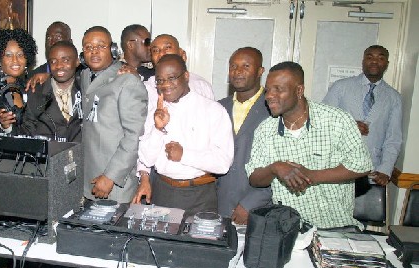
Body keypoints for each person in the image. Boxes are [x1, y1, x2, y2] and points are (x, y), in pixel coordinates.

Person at [245, 61, 373, 229]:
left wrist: (310, 176)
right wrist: (275, 168)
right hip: (289, 230)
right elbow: (254, 179)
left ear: (299, 91)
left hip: (335, 228)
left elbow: (362, 165)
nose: (269, 95)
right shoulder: (265, 130)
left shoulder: (337, 120)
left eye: (279, 89)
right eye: (268, 90)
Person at [138, 54, 233, 216]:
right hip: (162, 191)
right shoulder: (156, 111)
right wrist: (158, 129)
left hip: (199, 195)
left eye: (171, 78)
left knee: (197, 242)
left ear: (186, 76)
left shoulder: (212, 110)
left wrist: (184, 155)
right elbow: (146, 159)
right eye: (160, 80)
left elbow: (223, 163)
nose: (165, 85)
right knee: (161, 242)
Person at [132, 34, 215, 204]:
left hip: (198, 183)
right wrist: (144, 177)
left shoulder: (202, 86)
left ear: (182, 54)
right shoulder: (146, 88)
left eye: (167, 47)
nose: (161, 53)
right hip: (159, 178)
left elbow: (212, 139)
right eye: (155, 50)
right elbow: (143, 133)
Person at [80, 26, 148, 203]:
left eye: (101, 46)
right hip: (88, 180)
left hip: (113, 185)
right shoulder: (86, 76)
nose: (94, 51)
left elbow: (133, 136)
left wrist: (110, 176)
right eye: (88, 47)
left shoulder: (127, 81)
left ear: (113, 49)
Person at [323, 45, 402, 187]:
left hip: (371, 172)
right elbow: (322, 120)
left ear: (387, 64)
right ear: (363, 61)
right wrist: (349, 126)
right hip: (336, 168)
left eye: (380, 58)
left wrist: (385, 169)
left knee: (363, 210)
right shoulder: (341, 87)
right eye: (370, 57)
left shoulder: (393, 97)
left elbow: (393, 138)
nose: (374, 61)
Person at [217, 47, 272, 224]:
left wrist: (250, 204)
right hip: (218, 205)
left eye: (246, 66)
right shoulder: (218, 108)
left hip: (258, 209)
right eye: (233, 66)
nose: (238, 71)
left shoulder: (274, 109)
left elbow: (281, 164)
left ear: (260, 71)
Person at [0, 41, 82, 142]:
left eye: (65, 60)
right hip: (48, 156)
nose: (59, 66)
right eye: (53, 61)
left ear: (77, 62)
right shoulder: (35, 92)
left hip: (81, 155)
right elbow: (27, 134)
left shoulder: (86, 88)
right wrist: (7, 127)